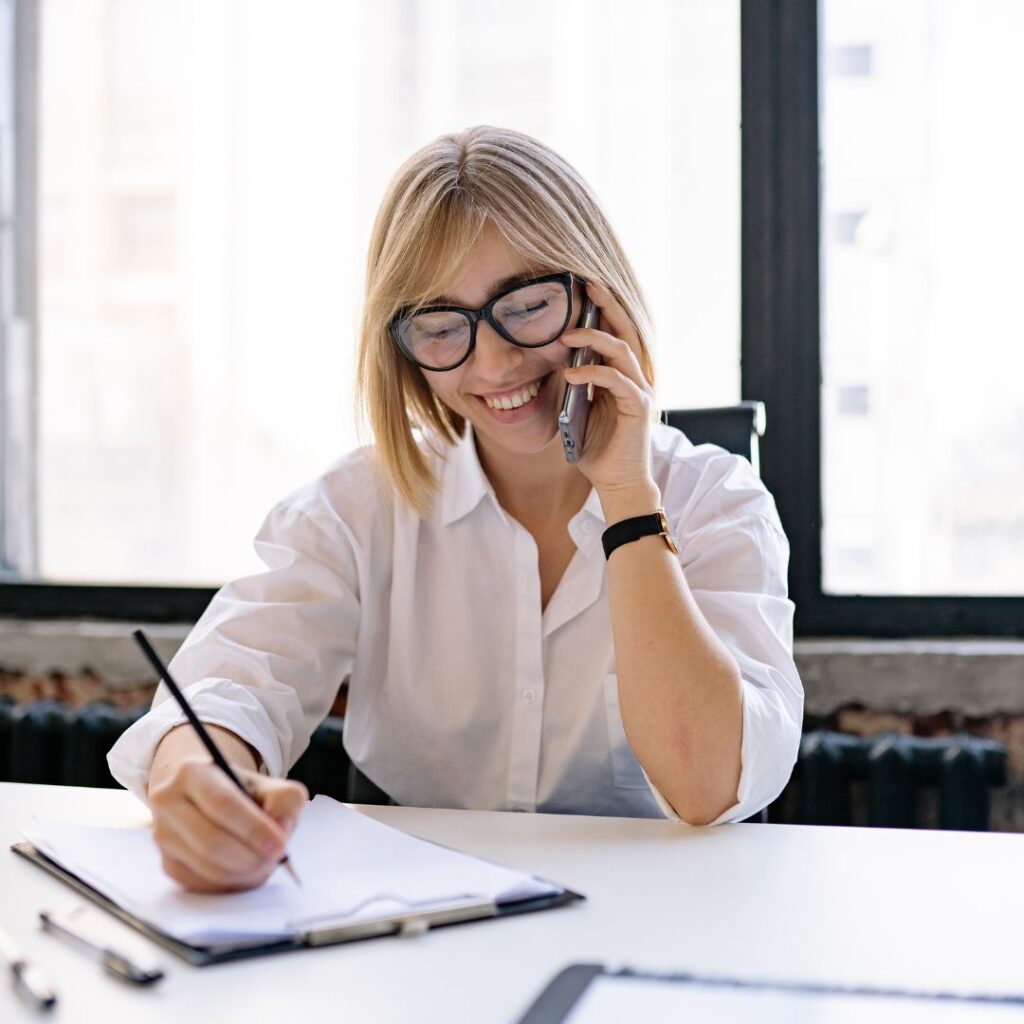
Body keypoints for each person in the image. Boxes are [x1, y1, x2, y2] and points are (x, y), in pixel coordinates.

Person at [108, 126, 803, 893]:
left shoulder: (715, 499)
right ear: (403, 345)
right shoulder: (357, 507)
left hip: (651, 918)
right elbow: (234, 682)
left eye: (529, 305)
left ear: (596, 296)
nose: (496, 363)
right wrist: (203, 778)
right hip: (421, 926)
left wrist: (628, 499)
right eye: (443, 328)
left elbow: (709, 785)